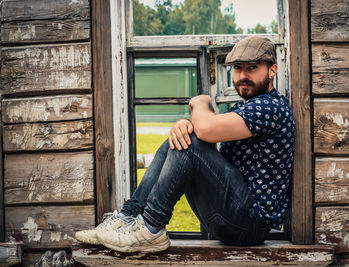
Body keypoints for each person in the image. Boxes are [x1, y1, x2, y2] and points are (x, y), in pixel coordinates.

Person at [75, 36, 295, 253]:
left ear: (272, 71)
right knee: (181, 137)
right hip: (234, 217)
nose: (243, 75)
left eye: (252, 67)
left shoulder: (270, 108)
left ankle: (150, 227)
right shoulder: (246, 108)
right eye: (238, 68)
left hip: (249, 224)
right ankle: (126, 218)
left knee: (189, 140)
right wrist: (184, 124)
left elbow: (206, 130)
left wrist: (201, 100)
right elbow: (206, 138)